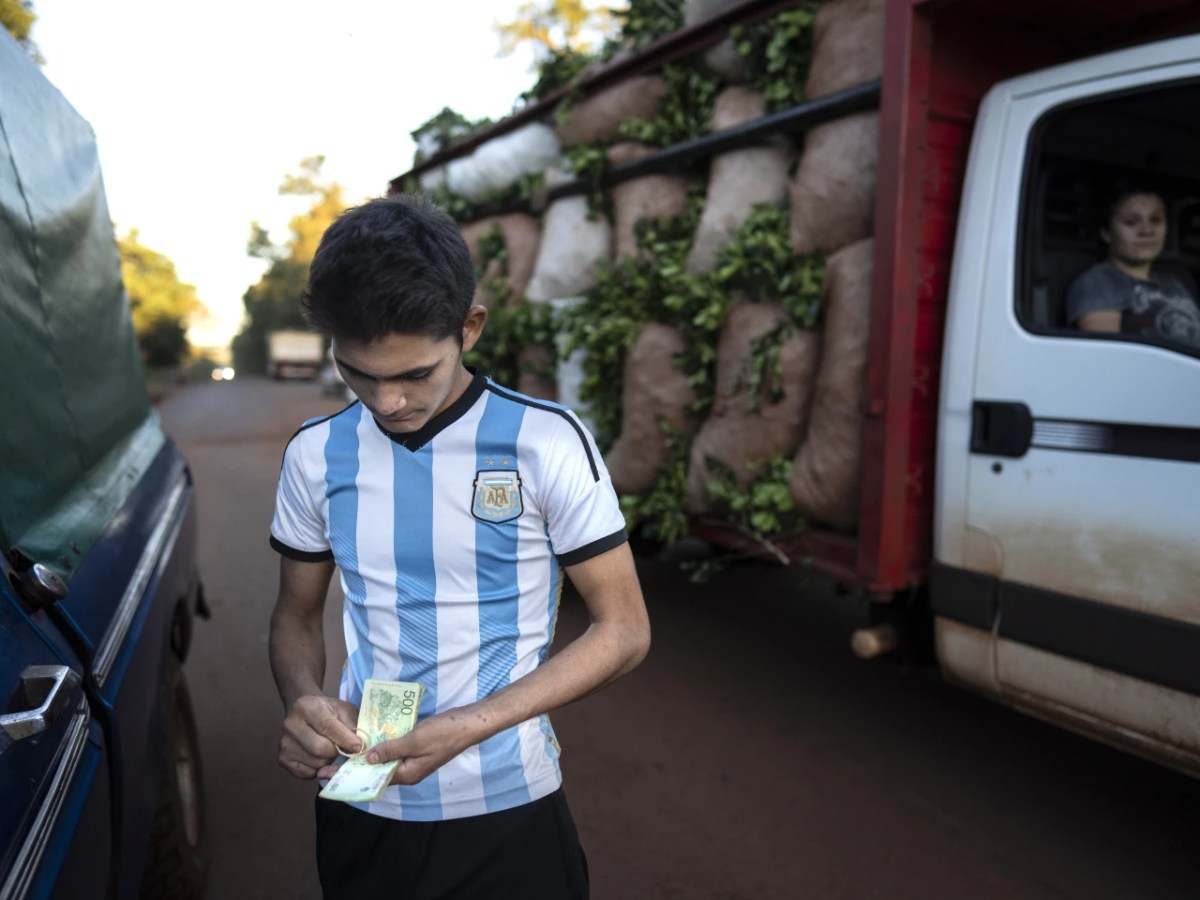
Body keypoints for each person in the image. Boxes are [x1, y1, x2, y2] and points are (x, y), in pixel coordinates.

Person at [267, 194, 651, 899]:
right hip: (362, 804)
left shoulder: (544, 441)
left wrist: (464, 729)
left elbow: (625, 631)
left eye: (415, 374)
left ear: (469, 328)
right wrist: (304, 699)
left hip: (509, 809)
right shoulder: (315, 455)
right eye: (359, 373)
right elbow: (294, 617)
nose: (388, 404)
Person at [1065, 184, 1200, 348]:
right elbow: (1108, 358)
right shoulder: (1098, 283)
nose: (1147, 230)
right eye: (1131, 222)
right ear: (1106, 233)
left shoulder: (1175, 280)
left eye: (1155, 220)